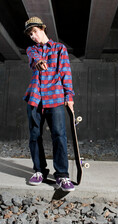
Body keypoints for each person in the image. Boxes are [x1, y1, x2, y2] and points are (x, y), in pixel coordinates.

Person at [23, 16, 75, 192]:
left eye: (35, 32)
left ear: (43, 29)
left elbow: (66, 73)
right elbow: (33, 57)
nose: (33, 36)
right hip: (35, 98)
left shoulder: (60, 49)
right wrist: (38, 62)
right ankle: (39, 171)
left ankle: (62, 175)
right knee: (34, 136)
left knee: (59, 136)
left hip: (56, 97)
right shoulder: (31, 50)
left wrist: (70, 97)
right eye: (30, 34)